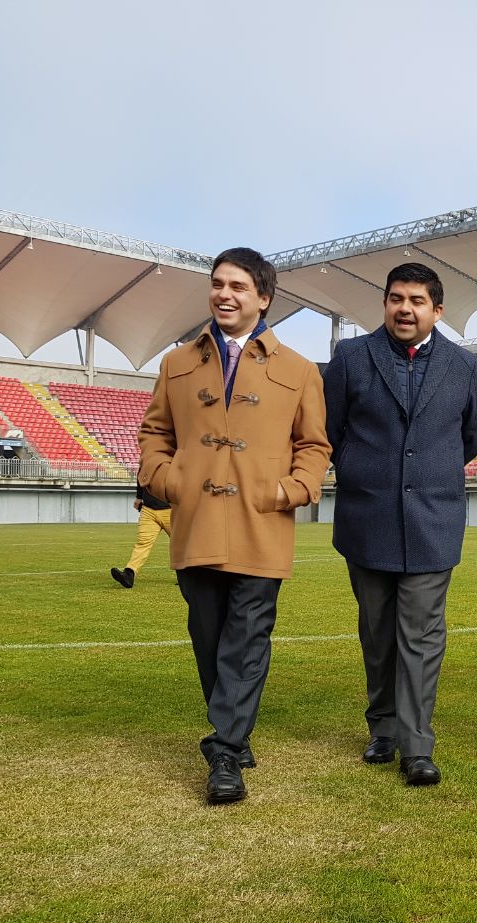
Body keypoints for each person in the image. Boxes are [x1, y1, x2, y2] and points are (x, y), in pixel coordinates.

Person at [139, 247, 331, 805]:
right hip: (194, 521)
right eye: (218, 284)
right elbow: (155, 434)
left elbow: (314, 445)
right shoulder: (176, 364)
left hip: (261, 523)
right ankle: (235, 730)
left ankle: (225, 752)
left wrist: (291, 490)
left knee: (247, 638)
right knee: (208, 636)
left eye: (239, 287)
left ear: (263, 298)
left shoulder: (297, 370)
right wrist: (165, 478)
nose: (225, 294)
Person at [324, 262, 477, 788]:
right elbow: (330, 430)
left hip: (433, 520)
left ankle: (417, 745)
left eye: (417, 300)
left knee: (420, 633)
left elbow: (475, 434)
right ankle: (383, 728)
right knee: (377, 632)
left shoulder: (463, 365)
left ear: (436, 311)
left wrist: (427, 472)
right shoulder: (351, 358)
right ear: (385, 303)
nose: (404, 308)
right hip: (366, 517)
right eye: (396, 298)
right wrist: (361, 468)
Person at [110, 481, 171, 588]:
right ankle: (129, 573)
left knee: (182, 544)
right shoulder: (145, 464)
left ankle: (191, 576)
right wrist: (139, 497)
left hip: (171, 510)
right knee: (143, 543)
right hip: (148, 510)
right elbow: (141, 476)